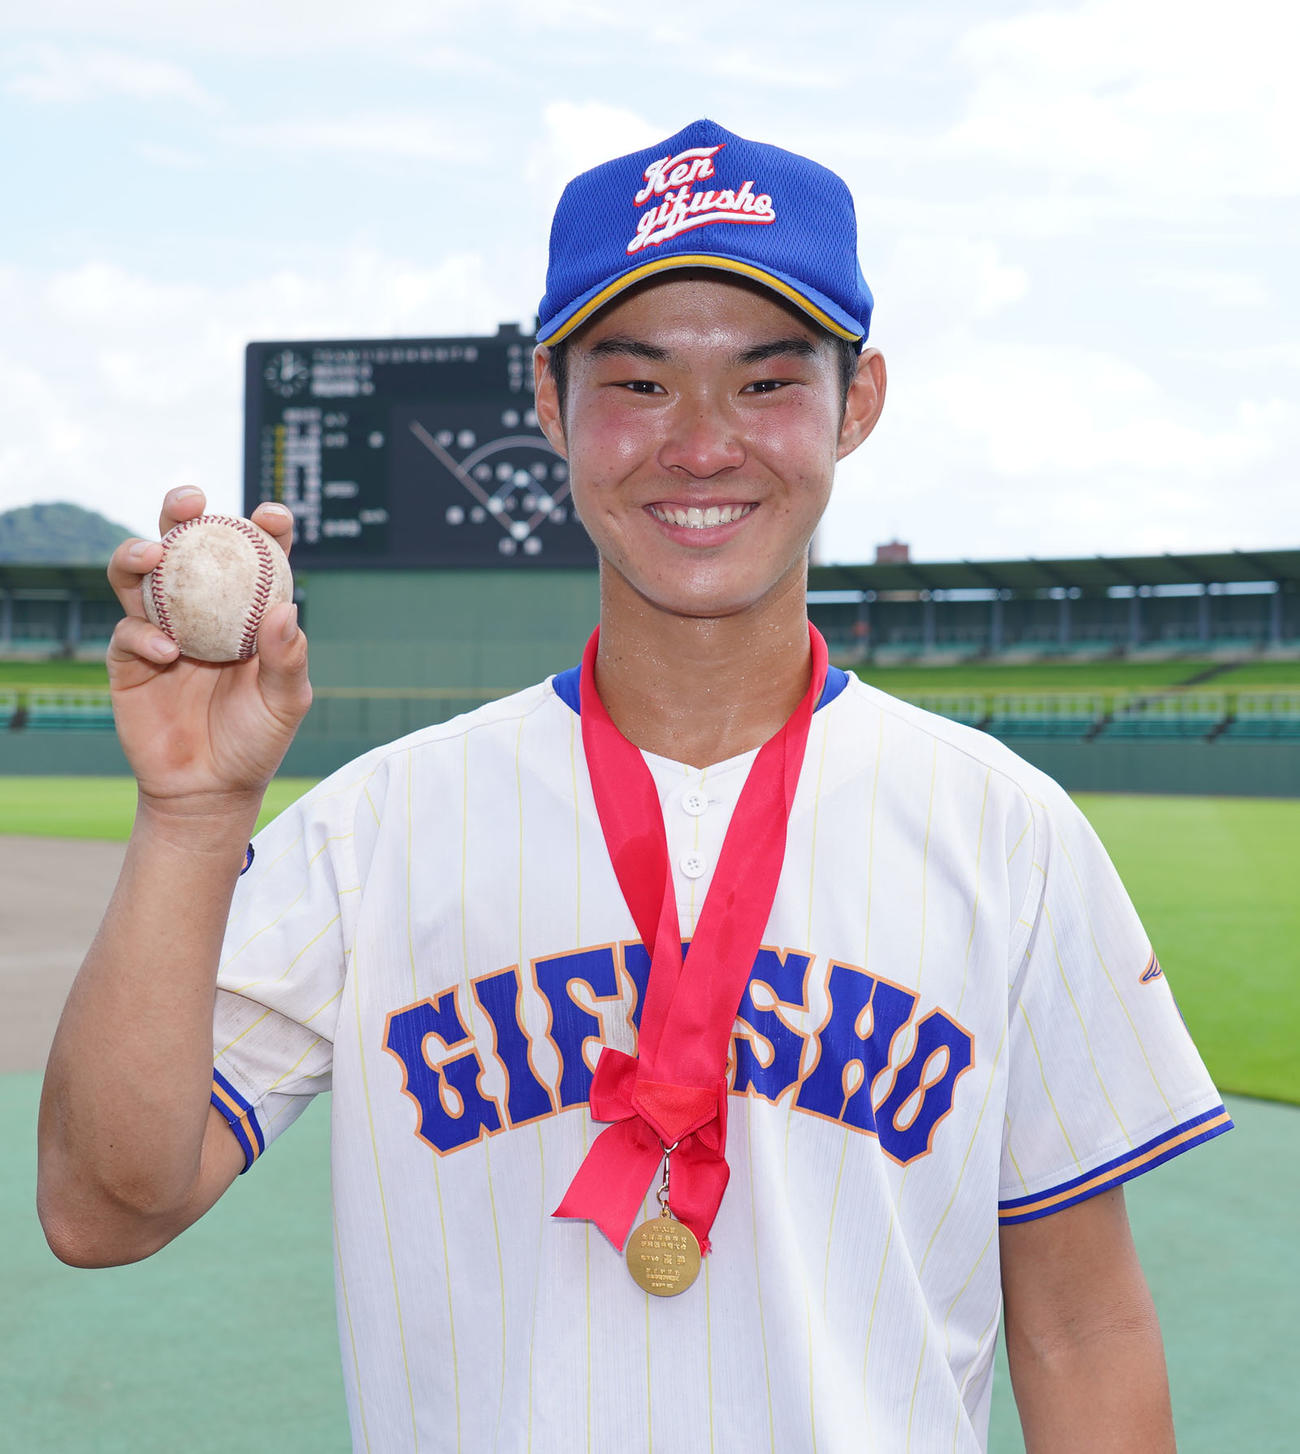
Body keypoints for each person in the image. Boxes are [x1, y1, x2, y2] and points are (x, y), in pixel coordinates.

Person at [39, 119, 1231, 1452]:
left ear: (862, 400)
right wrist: (191, 818)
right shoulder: (387, 825)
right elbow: (103, 1208)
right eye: (643, 384)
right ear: (549, 401)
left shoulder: (1005, 832)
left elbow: (1079, 1329)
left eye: (768, 381)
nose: (704, 444)